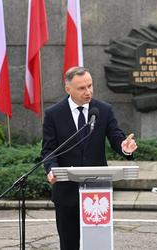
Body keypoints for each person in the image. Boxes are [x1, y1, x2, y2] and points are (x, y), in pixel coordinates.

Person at [41, 66, 137, 250]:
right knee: (69, 244)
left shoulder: (103, 110)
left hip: (97, 192)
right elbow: (49, 149)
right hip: (65, 190)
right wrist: (51, 168)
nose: (88, 92)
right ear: (68, 89)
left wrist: (125, 148)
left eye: (90, 86)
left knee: (97, 245)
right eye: (82, 88)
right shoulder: (54, 114)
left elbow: (116, 137)